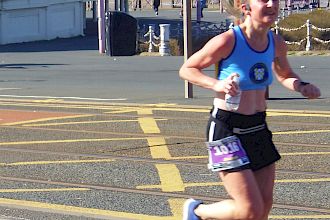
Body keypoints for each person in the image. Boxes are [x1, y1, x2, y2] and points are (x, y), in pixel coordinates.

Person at [179, 0, 321, 219]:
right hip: (227, 129)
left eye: (275, 0)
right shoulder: (228, 41)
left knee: (263, 207)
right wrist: (217, 84)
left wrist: (302, 86)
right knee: (249, 209)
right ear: (245, 8)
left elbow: (284, 75)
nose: (272, 4)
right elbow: (188, 69)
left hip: (257, 127)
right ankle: (197, 211)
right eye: (263, 0)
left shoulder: (276, 42)